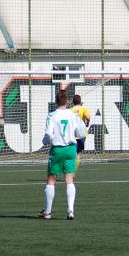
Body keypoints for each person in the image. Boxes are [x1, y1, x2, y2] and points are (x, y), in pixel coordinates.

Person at [38, 89, 86, 220]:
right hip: (71, 149)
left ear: (56, 101)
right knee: (69, 179)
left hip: (57, 149)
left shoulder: (52, 115)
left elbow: (48, 134)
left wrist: (45, 141)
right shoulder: (72, 115)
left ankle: (47, 212)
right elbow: (81, 132)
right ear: (67, 101)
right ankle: (70, 210)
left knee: (51, 180)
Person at [70, 94, 91, 171]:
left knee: (71, 152)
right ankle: (73, 170)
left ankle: (69, 169)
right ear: (80, 101)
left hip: (72, 134)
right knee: (78, 153)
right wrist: (87, 122)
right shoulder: (84, 109)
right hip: (81, 134)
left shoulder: (70, 110)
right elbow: (88, 117)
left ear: (73, 102)